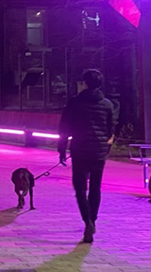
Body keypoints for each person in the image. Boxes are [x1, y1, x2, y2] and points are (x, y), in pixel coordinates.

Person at [58, 69, 114, 244]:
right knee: (96, 189)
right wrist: (105, 148)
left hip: (80, 150)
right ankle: (93, 221)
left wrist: (61, 149)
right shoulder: (107, 104)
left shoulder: (74, 103)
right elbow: (110, 130)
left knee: (80, 189)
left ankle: (87, 221)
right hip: (98, 152)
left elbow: (64, 128)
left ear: (85, 83)